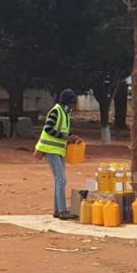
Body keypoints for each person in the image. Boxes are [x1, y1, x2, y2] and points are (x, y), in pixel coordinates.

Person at [33, 89, 81, 220]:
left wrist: (72, 137)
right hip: (50, 149)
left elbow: (64, 130)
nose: (74, 105)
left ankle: (57, 210)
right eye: (73, 103)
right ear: (69, 102)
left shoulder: (64, 113)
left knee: (59, 180)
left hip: (58, 150)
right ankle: (62, 210)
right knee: (61, 180)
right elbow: (48, 129)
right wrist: (66, 137)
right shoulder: (56, 111)